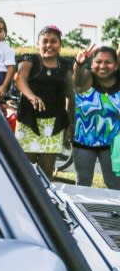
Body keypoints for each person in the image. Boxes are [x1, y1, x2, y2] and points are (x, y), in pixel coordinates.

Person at [14, 25, 73, 180]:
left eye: (53, 41)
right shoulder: (29, 59)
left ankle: (45, 202)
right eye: (44, 41)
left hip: (54, 125)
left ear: (60, 45)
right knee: (25, 168)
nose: (48, 45)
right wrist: (31, 96)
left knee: (46, 170)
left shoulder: (65, 66)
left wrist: (69, 125)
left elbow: (70, 96)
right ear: (37, 43)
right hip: (29, 122)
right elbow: (20, 78)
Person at [71, 45, 120, 189]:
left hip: (112, 145)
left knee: (115, 185)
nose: (103, 66)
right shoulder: (86, 80)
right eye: (98, 61)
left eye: (108, 62)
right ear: (91, 64)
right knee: (83, 183)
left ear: (116, 66)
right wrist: (79, 64)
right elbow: (77, 81)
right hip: (84, 142)